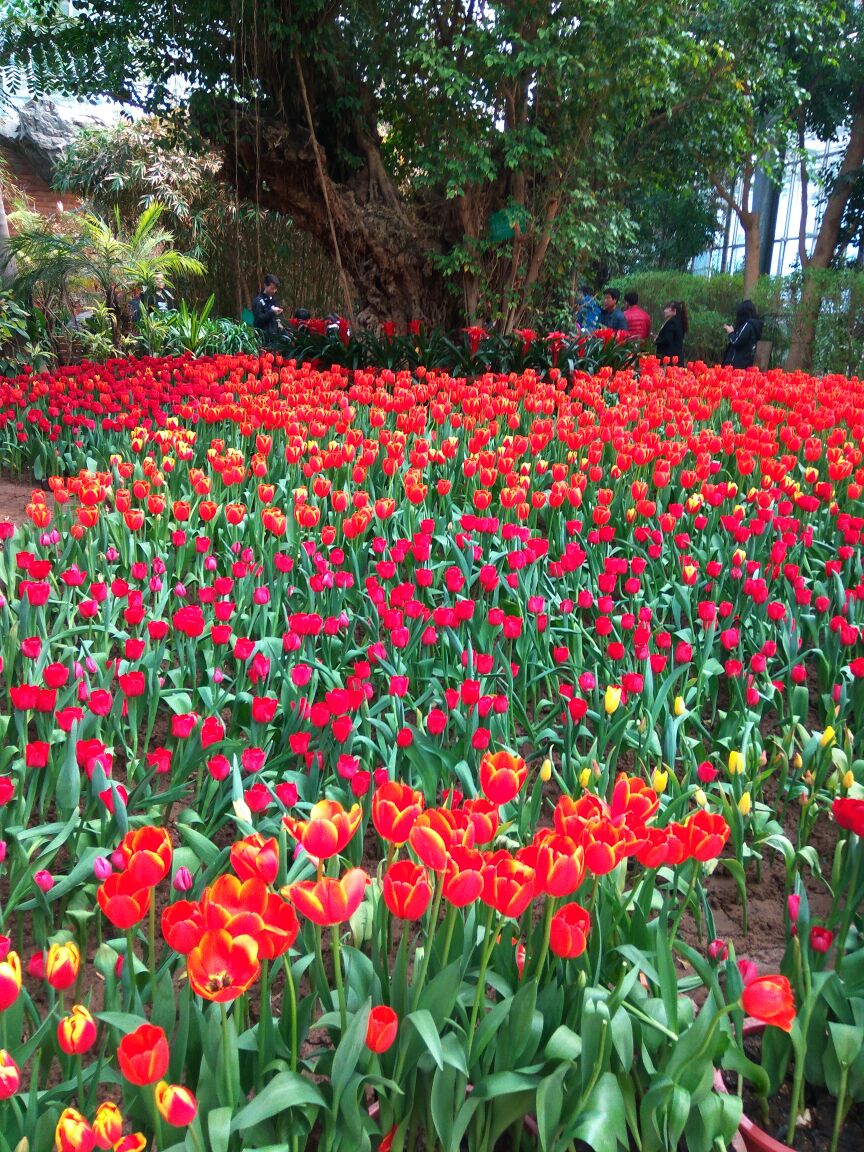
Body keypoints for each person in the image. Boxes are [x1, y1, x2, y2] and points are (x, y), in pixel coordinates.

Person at [722, 300, 763, 368]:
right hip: (744, 364)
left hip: (736, 366)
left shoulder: (747, 325)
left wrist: (731, 332)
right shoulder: (752, 326)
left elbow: (736, 341)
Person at [251, 274, 284, 341]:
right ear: (265, 285)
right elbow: (258, 320)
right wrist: (272, 312)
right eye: (272, 288)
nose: (274, 291)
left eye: (275, 289)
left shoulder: (272, 299)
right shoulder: (258, 301)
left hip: (274, 337)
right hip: (262, 338)